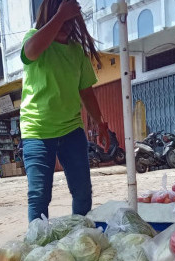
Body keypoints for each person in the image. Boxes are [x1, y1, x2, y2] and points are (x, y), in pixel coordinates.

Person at [20, 0, 108, 222]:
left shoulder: (76, 51)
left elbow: (86, 92)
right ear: (50, 16)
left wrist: (101, 123)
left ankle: (82, 237)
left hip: (71, 130)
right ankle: (38, 247)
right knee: (39, 197)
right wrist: (60, 15)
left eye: (70, 22)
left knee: (82, 192)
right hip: (37, 131)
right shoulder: (34, 38)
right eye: (62, 21)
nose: (67, 26)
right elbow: (29, 53)